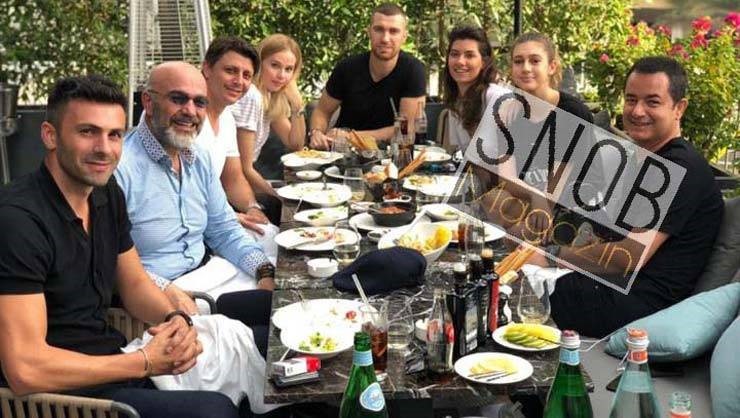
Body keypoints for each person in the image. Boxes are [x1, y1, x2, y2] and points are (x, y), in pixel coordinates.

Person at [0, 75, 242, 418]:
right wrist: (144, 362)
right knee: (215, 411)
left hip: (114, 364)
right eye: (88, 132)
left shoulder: (105, 193)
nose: (104, 148)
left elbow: (135, 284)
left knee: (254, 360)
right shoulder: (17, 221)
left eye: (114, 134)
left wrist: (173, 319)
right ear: (50, 136)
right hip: (61, 398)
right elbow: (26, 369)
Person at [529, 56, 723, 337]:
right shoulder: (645, 158)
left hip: (641, 304)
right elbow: (614, 237)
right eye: (631, 100)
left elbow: (627, 256)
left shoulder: (679, 165)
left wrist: (551, 256)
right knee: (510, 274)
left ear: (679, 108)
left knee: (516, 292)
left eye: (652, 102)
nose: (638, 111)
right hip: (615, 285)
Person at [114, 62, 275, 356]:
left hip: (212, 280)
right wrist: (162, 288)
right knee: (269, 343)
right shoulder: (119, 169)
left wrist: (264, 271)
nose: (190, 111)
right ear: (148, 102)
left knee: (290, 306)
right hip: (163, 304)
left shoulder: (197, 158)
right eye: (178, 99)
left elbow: (224, 231)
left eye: (200, 102)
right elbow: (109, 262)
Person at [309, 2, 426, 149]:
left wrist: (351, 137)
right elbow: (322, 111)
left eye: (393, 31)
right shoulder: (347, 67)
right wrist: (316, 132)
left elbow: (407, 129)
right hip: (343, 154)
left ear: (404, 36)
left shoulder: (413, 70)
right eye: (379, 29)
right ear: (369, 32)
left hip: (391, 154)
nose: (385, 38)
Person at [195, 36, 281, 233]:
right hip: (192, 225)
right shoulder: (187, 118)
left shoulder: (226, 118)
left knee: (271, 232)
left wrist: (252, 207)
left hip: (216, 215)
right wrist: (230, 216)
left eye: (246, 75)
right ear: (207, 69)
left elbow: (233, 177)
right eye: (230, 71)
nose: (239, 81)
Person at [231, 34, 305, 203]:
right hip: (230, 185)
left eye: (288, 69)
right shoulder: (252, 96)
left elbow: (295, 145)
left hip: (241, 180)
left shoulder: (269, 97)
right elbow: (244, 168)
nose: (281, 75)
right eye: (274, 65)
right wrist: (281, 199)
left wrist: (297, 105)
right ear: (259, 63)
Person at [442, 25, 508, 153]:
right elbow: (455, 152)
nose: (460, 61)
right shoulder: (456, 101)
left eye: (469, 55)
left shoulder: (496, 97)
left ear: (484, 62)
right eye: (454, 54)